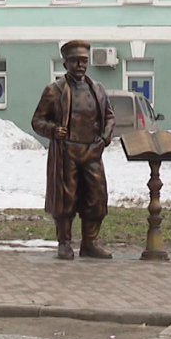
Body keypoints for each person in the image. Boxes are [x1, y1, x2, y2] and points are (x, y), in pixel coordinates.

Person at [31, 40, 116, 261]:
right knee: (65, 199)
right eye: (75, 61)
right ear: (65, 62)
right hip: (66, 152)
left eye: (84, 61)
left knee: (96, 197)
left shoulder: (97, 89)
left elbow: (109, 116)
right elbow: (37, 120)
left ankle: (90, 242)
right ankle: (64, 242)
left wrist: (104, 139)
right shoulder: (55, 90)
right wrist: (52, 129)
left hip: (92, 151)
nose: (80, 65)